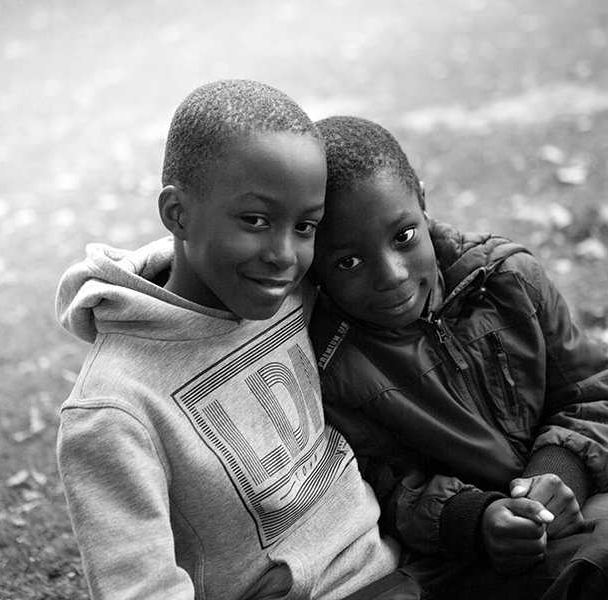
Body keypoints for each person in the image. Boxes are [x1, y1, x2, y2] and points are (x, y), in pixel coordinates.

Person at [307, 115, 608, 599]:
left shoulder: (502, 277)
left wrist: (559, 473)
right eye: (347, 261)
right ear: (314, 263)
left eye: (404, 237)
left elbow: (593, 390)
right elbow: (384, 487)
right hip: (489, 526)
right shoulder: (338, 362)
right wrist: (474, 519)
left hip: (572, 474)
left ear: (422, 200)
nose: (390, 274)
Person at [55, 81, 410, 600]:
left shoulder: (294, 290)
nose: (284, 254)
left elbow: (400, 251)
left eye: (305, 226)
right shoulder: (113, 411)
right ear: (178, 213)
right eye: (255, 220)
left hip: (402, 563)